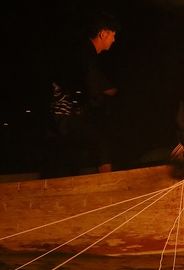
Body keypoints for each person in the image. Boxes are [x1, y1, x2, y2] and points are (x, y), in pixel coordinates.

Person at [46, 12, 120, 177]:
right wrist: (111, 92)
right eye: (112, 35)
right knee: (102, 142)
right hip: (63, 114)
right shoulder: (84, 54)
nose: (113, 40)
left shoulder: (85, 53)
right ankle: (107, 183)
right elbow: (90, 80)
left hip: (69, 114)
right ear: (103, 34)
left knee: (88, 146)